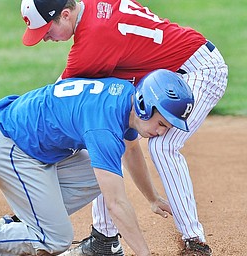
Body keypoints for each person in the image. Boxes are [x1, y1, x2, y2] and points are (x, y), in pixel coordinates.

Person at [19, 0, 228, 255]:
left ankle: (195, 241)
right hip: (164, 74)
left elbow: (53, 100)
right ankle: (104, 239)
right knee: (103, 136)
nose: (45, 39)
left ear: (65, 14)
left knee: (163, 144)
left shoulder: (93, 42)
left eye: (47, 31)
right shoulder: (93, 9)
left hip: (196, 71)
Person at [0, 69, 194, 256]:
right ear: (143, 106)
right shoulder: (103, 129)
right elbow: (115, 204)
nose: (162, 132)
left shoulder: (124, 96)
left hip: (29, 142)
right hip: (9, 146)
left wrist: (152, 198)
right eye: (161, 124)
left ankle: (14, 229)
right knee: (56, 239)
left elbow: (131, 151)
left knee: (102, 173)